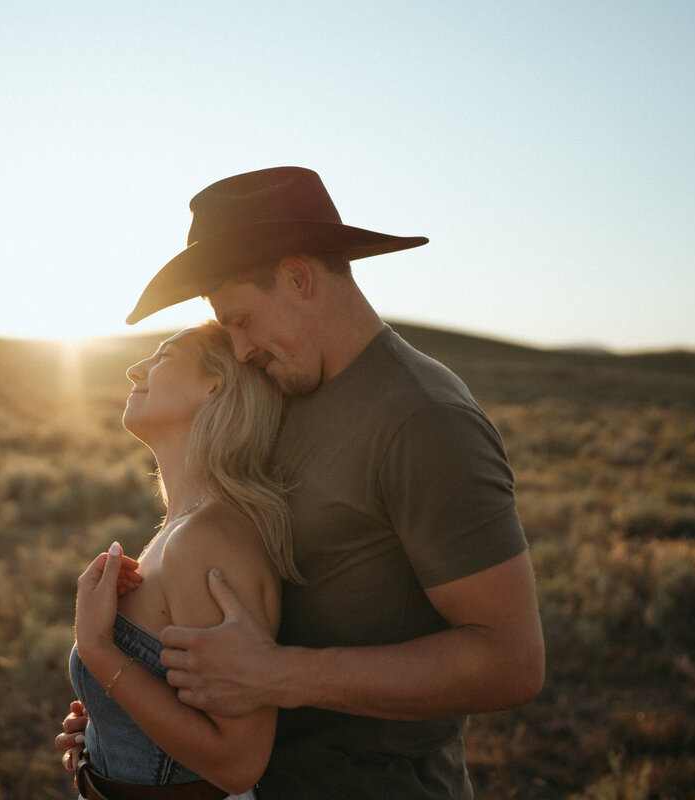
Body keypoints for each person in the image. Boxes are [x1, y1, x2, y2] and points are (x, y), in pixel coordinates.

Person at [59, 167, 544, 798]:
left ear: (298, 277)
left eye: (240, 319)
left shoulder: (424, 419)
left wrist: (281, 676)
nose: (238, 351)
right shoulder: (287, 387)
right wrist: (123, 722)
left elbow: (511, 662)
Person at [68, 321, 301, 799]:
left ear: (214, 385)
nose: (135, 370)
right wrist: (103, 726)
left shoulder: (205, 540)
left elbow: (238, 764)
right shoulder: (181, 531)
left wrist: (99, 650)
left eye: (164, 355)